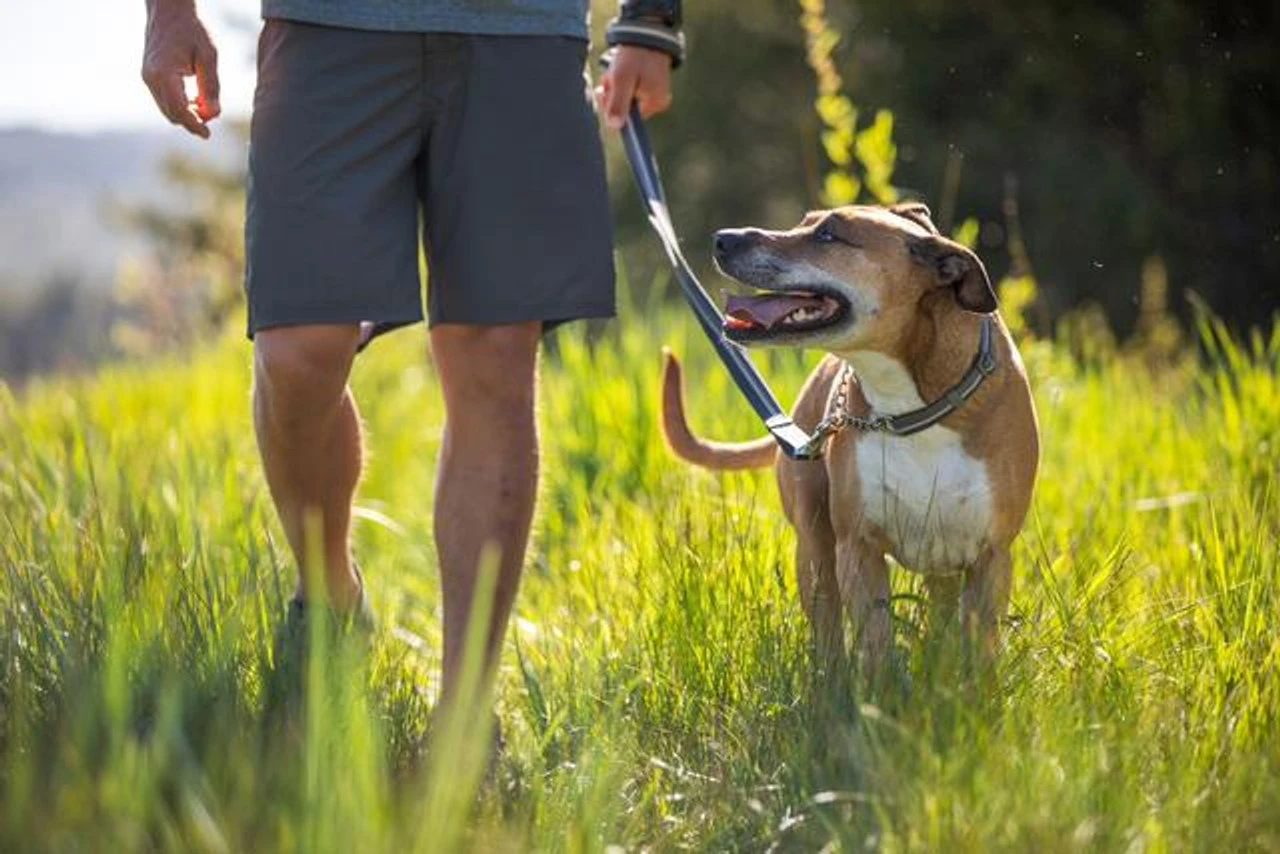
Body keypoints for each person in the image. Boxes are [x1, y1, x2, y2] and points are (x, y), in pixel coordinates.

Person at [140, 0, 681, 714]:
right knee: (298, 349)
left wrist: (650, 19)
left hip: (522, 33)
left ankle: (464, 722)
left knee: (496, 359)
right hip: (329, 27)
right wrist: (169, 13)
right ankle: (329, 597)